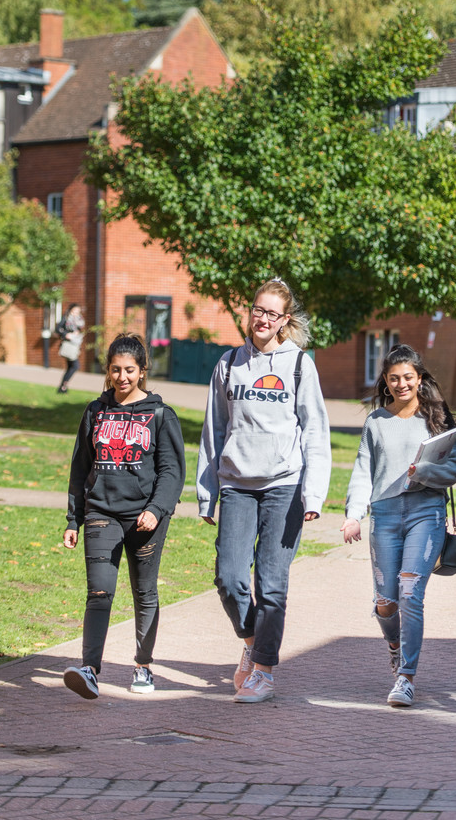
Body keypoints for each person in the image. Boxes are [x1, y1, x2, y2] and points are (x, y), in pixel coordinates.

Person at [197, 278, 331, 703]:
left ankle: (265, 673)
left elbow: (315, 431)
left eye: (272, 313)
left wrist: (314, 493)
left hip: (284, 487)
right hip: (237, 484)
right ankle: (253, 641)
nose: (262, 318)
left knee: (271, 585)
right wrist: (207, 492)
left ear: (284, 320)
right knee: (229, 576)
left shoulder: (299, 365)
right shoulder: (229, 363)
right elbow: (213, 431)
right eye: (258, 309)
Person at [62, 333, 185, 699]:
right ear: (108, 371)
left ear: (142, 371)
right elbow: (79, 468)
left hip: (146, 517)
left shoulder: (160, 414)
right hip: (102, 511)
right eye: (115, 370)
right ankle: (89, 670)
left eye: (129, 370)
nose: (122, 377)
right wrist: (74, 519)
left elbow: (172, 472)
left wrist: (156, 509)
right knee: (99, 591)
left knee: (144, 592)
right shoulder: (95, 412)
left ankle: (143, 667)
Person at [341, 344, 456, 708]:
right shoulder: (376, 421)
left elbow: (453, 471)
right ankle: (394, 645)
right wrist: (353, 514)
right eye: (394, 378)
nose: (401, 384)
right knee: (385, 602)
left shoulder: (437, 418)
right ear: (386, 381)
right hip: (385, 516)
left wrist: (422, 470)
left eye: (408, 377)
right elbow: (363, 470)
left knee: (410, 593)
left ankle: (406, 677)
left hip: (427, 512)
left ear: (420, 378)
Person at [57, 304, 85, 394]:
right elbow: (57, 329)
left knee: (70, 367)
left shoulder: (79, 320)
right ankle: (63, 386)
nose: (76, 313)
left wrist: (77, 333)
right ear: (70, 310)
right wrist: (66, 334)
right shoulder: (66, 318)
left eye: (78, 311)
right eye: (74, 311)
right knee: (75, 366)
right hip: (68, 345)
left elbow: (80, 329)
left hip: (75, 344)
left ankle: (62, 387)